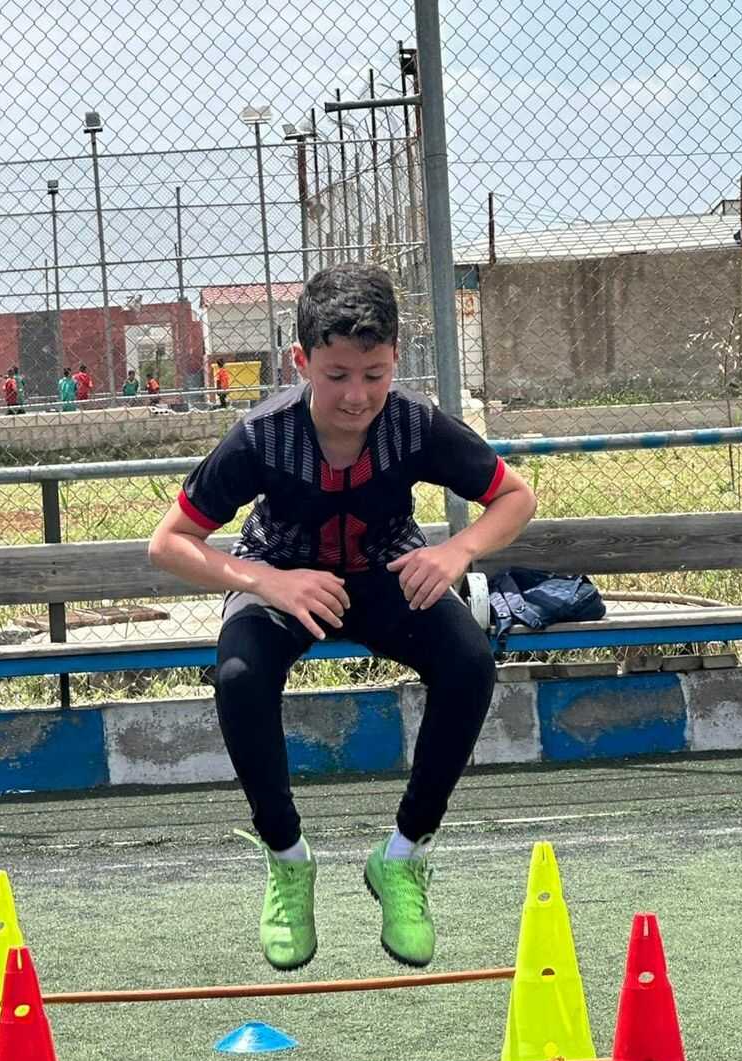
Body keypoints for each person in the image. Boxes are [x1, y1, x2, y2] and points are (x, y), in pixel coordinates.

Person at [148, 264, 536, 972]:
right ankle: (287, 858)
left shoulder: (415, 424)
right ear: (301, 361)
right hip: (281, 577)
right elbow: (169, 542)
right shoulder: (261, 436)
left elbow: (516, 497)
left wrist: (456, 552)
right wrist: (267, 580)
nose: (356, 395)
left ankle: (404, 854)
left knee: (470, 664)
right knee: (238, 676)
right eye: (337, 376)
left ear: (396, 360)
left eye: (374, 374)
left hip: (386, 573)